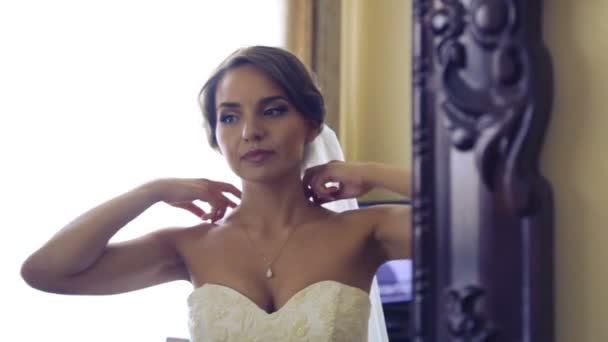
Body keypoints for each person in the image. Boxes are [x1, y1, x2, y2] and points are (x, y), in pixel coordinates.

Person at [20, 46, 410, 342]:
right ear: (215, 137)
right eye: (229, 117)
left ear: (310, 125)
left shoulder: (365, 231)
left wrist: (371, 172)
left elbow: (471, 219)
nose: (249, 132)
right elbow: (45, 272)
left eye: (272, 110)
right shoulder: (189, 246)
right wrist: (149, 192)